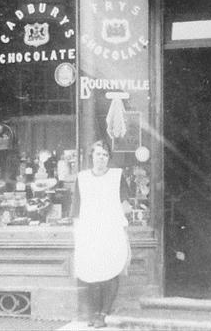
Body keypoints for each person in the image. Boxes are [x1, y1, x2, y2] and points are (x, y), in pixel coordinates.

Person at [72, 140, 130, 328]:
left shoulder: (116, 176)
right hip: (89, 230)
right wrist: (77, 234)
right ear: (92, 156)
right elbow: (76, 209)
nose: (101, 158)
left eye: (105, 155)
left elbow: (125, 205)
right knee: (91, 271)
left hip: (111, 230)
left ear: (109, 158)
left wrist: (125, 228)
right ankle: (94, 312)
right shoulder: (82, 178)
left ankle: (104, 313)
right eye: (98, 154)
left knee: (111, 270)